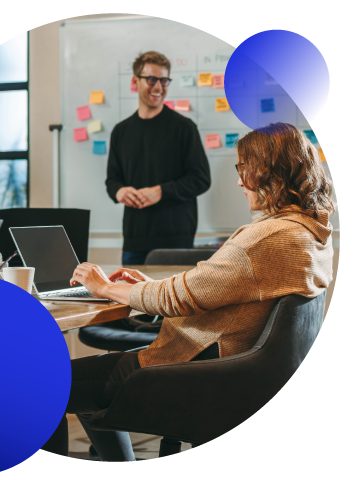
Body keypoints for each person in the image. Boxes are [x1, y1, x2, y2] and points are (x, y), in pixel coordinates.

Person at [41, 122, 336, 461]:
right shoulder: (311, 231)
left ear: (270, 170)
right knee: (88, 385)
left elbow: (176, 297)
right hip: (225, 368)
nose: (240, 180)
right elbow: (208, 286)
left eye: (244, 168)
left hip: (189, 370)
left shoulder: (268, 238)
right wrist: (145, 287)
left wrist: (104, 287)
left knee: (46, 385)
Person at [105, 51, 211, 266]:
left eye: (164, 80)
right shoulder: (121, 131)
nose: (158, 87)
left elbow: (201, 179)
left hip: (176, 241)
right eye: (151, 79)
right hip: (134, 240)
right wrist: (119, 191)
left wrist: (161, 191)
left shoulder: (184, 127)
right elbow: (112, 180)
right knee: (130, 299)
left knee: (173, 301)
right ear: (135, 81)